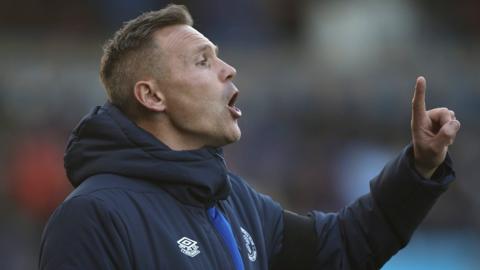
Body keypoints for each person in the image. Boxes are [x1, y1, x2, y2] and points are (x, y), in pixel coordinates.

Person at [38, 4, 461, 270]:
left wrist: (418, 168)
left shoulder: (236, 201)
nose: (228, 69)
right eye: (204, 61)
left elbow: (346, 246)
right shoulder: (93, 217)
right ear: (152, 95)